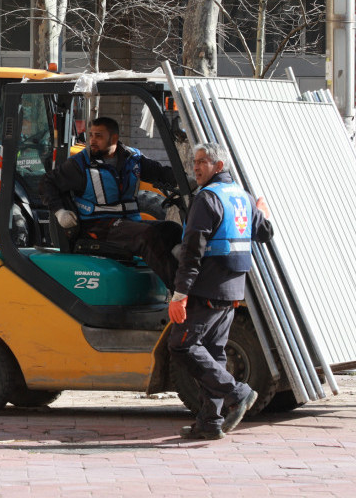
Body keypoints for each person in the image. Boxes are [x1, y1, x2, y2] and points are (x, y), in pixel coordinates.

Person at [168, 142, 271, 440]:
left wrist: (180, 294)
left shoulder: (207, 198)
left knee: (182, 346)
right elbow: (265, 233)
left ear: (219, 166)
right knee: (213, 352)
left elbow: (192, 251)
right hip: (233, 290)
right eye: (195, 162)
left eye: (202, 162)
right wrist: (261, 214)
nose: (196, 167)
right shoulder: (243, 197)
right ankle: (210, 422)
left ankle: (236, 392)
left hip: (206, 289)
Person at [40, 116, 182, 289]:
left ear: (114, 138)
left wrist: (185, 180)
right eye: (91, 135)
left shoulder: (133, 159)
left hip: (126, 223)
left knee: (173, 230)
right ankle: (182, 294)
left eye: (98, 136)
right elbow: (48, 183)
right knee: (146, 236)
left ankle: (189, 280)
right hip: (96, 226)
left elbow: (159, 173)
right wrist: (59, 211)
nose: (92, 140)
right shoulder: (80, 164)